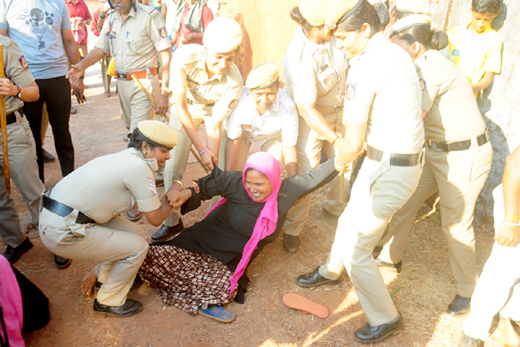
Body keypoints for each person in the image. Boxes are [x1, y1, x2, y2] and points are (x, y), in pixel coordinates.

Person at [296, 0, 425, 343]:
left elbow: (351, 142)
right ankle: (331, 271)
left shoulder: (368, 65)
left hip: (390, 168)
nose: (339, 44)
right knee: (349, 217)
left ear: (366, 30)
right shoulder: (395, 51)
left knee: (359, 249)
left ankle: (386, 317)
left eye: (343, 37)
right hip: (388, 160)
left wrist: (334, 164)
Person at [136, 151, 347, 322]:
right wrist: (187, 192)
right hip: (202, 239)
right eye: (249, 183)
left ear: (273, 180)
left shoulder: (286, 191)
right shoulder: (236, 182)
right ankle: (151, 278)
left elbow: (316, 177)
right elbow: (209, 185)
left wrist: (346, 156)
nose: (252, 189)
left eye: (259, 185)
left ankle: (194, 295)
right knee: (151, 256)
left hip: (230, 256)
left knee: (223, 289)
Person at [375, 15, 493, 318]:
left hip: (464, 155)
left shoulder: (431, 68)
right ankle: (391, 256)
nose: (392, 53)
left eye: (397, 46)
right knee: (406, 200)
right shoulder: (418, 64)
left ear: (415, 46)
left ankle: (468, 291)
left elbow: (414, 115)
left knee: (455, 224)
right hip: (438, 152)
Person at [38, 120, 180, 318]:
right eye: (164, 150)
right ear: (146, 147)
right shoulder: (139, 167)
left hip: (59, 218)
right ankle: (108, 301)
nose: (168, 156)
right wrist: (175, 190)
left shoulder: (125, 157)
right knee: (138, 247)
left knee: (136, 233)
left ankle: (103, 278)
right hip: (62, 230)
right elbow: (155, 219)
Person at [153, 17, 243, 243]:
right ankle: (171, 222)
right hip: (187, 109)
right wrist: (202, 149)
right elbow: (181, 108)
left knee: (222, 169)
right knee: (172, 166)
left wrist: (210, 156)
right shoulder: (183, 57)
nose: (223, 65)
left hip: (215, 113)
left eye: (229, 59)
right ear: (205, 50)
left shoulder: (235, 80)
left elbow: (215, 123)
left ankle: (216, 219)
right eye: (218, 58)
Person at [282, 0, 350, 253]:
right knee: (306, 175)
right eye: (328, 24)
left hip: (339, 115)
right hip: (310, 121)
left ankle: (334, 208)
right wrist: (335, 139)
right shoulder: (300, 54)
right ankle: (293, 228)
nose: (334, 27)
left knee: (345, 166)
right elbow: (307, 109)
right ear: (314, 27)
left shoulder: (332, 37)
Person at [0, 0, 81, 184]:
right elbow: (1, 44)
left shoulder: (58, 4)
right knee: (33, 136)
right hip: (25, 80)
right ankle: (39, 187)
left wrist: (79, 77)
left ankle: (71, 182)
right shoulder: (6, 4)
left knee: (63, 133)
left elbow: (68, 41)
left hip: (59, 77)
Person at [67, 0, 172, 139]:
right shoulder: (111, 17)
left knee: (137, 135)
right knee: (132, 132)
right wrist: (82, 66)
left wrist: (164, 91)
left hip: (143, 85)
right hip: (122, 84)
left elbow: (166, 55)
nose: (117, 1)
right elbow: (100, 49)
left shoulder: (150, 17)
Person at [458, 145, 520, 347]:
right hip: (516, 205)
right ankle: (475, 330)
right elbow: (515, 162)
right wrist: (512, 220)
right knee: (505, 268)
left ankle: (511, 315)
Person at [0, 35, 45, 232]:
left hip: (9, 131)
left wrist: (13, 90)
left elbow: (33, 93)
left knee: (33, 193)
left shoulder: (4, 48)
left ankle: (55, 239)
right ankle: (16, 242)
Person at [225, 62, 298, 176]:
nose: (264, 100)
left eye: (270, 94)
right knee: (234, 173)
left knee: (271, 170)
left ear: (278, 89)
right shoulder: (239, 103)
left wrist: (294, 181)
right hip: (242, 136)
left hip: (271, 137)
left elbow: (289, 146)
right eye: (258, 94)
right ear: (250, 91)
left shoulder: (288, 107)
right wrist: (227, 178)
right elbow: (234, 139)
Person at [448, 0, 503, 96]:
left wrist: (474, 89)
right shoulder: (455, 32)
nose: (480, 24)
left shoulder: (494, 41)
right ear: (471, 9)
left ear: (497, 13)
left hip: (464, 96)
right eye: (477, 18)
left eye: (486, 20)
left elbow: (489, 76)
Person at [91, 0, 114, 97]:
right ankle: (107, 89)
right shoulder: (97, 12)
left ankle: (119, 89)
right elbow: (95, 28)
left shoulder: (117, 10)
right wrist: (103, 36)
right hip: (105, 46)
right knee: (105, 68)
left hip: (117, 46)